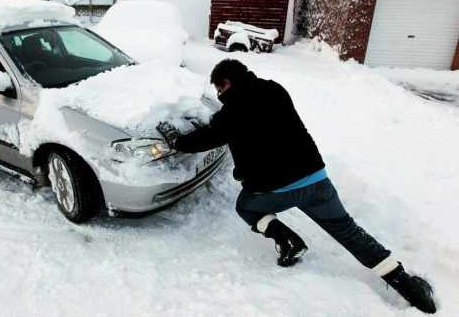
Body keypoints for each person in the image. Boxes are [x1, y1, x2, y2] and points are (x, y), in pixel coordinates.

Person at [156, 59, 436, 314]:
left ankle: (287, 240)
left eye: (219, 88)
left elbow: (207, 138)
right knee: (348, 231)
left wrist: (175, 140)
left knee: (245, 206)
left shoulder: (233, 111)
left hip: (277, 188)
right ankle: (408, 286)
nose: (219, 95)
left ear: (226, 82)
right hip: (316, 178)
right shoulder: (275, 89)